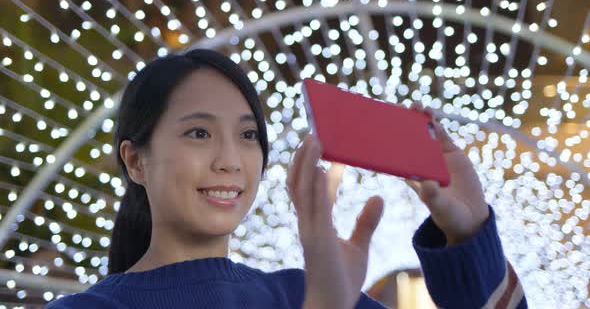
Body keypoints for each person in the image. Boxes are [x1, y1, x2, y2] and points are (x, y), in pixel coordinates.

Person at [46, 49, 527, 309]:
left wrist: (469, 236)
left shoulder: (303, 292)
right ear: (135, 161)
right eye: (198, 132)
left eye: (248, 134)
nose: (230, 160)